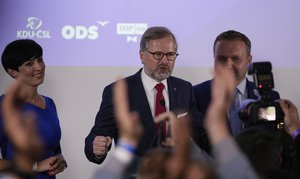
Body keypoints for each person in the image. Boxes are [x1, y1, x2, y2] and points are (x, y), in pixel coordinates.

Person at [85, 26, 196, 165]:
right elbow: (97, 135)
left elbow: (196, 133)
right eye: (157, 54)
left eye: (170, 55)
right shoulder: (118, 91)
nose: (164, 61)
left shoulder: (184, 88)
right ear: (142, 55)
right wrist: (97, 147)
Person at [192, 30, 280, 153]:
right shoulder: (195, 94)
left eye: (236, 59)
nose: (228, 65)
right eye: (222, 58)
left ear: (249, 60)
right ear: (214, 59)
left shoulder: (270, 96)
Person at [0, 39, 67, 179]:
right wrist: (35, 166)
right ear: (13, 72)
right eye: (29, 64)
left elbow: (54, 150)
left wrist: (60, 160)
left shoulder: (49, 103)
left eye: (40, 60)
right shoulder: (4, 106)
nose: (39, 67)